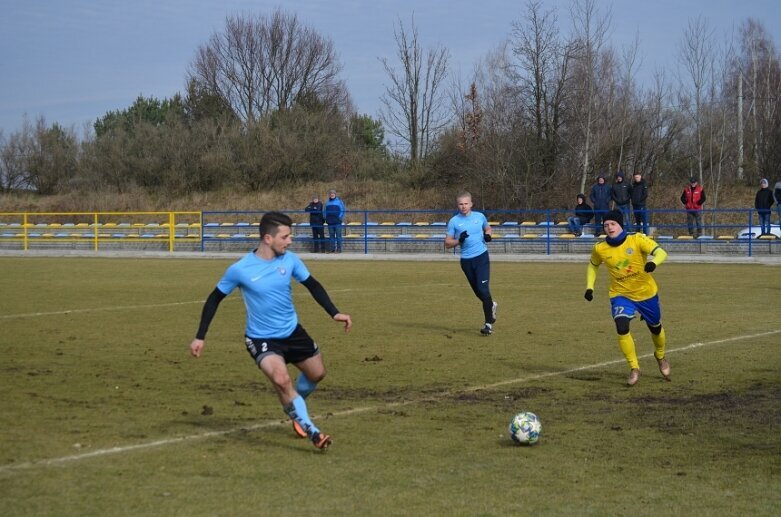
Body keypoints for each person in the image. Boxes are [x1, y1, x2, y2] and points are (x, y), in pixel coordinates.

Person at [189, 211, 352, 450]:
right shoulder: (240, 269)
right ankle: (313, 431)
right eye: (285, 237)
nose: (290, 241)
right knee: (282, 380)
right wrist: (200, 337)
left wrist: (334, 312)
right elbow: (214, 299)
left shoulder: (291, 260)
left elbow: (312, 284)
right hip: (261, 338)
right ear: (268, 238)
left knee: (317, 374)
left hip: (292, 331)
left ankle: (295, 406)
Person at [583, 209, 670, 386]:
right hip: (620, 294)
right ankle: (634, 367)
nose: (609, 227)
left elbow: (662, 253)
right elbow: (592, 266)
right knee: (621, 326)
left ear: (621, 225)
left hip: (646, 293)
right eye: (606, 225)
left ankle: (660, 355)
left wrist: (653, 262)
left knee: (655, 328)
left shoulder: (637, 239)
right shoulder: (600, 248)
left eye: (613, 224)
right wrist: (589, 287)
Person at [444, 191, 498, 335]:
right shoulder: (454, 221)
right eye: (461, 204)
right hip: (466, 261)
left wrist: (488, 236)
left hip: (481, 257)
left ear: (471, 204)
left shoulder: (480, 217)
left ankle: (488, 325)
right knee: (478, 292)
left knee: (483, 289)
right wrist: (458, 240)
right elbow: (447, 243)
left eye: (466, 203)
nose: (463, 206)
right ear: (457, 205)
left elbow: (488, 228)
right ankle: (491, 305)